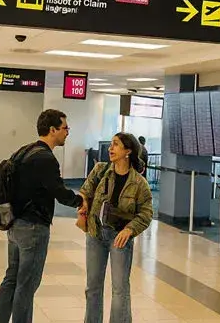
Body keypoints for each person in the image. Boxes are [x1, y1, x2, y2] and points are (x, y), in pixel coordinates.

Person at [0, 109, 84, 323]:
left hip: (14, 225)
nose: (67, 132)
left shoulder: (23, 151)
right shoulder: (46, 158)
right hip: (33, 228)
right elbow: (59, 191)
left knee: (11, 280)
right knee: (26, 285)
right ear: (52, 130)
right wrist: (80, 201)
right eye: (65, 128)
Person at [80, 132, 153, 323]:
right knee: (92, 287)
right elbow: (85, 191)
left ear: (128, 151)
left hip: (120, 237)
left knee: (120, 289)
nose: (110, 148)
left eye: (116, 144)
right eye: (111, 144)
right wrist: (84, 203)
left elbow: (146, 213)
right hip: (96, 234)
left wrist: (130, 229)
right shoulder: (101, 170)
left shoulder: (139, 184)